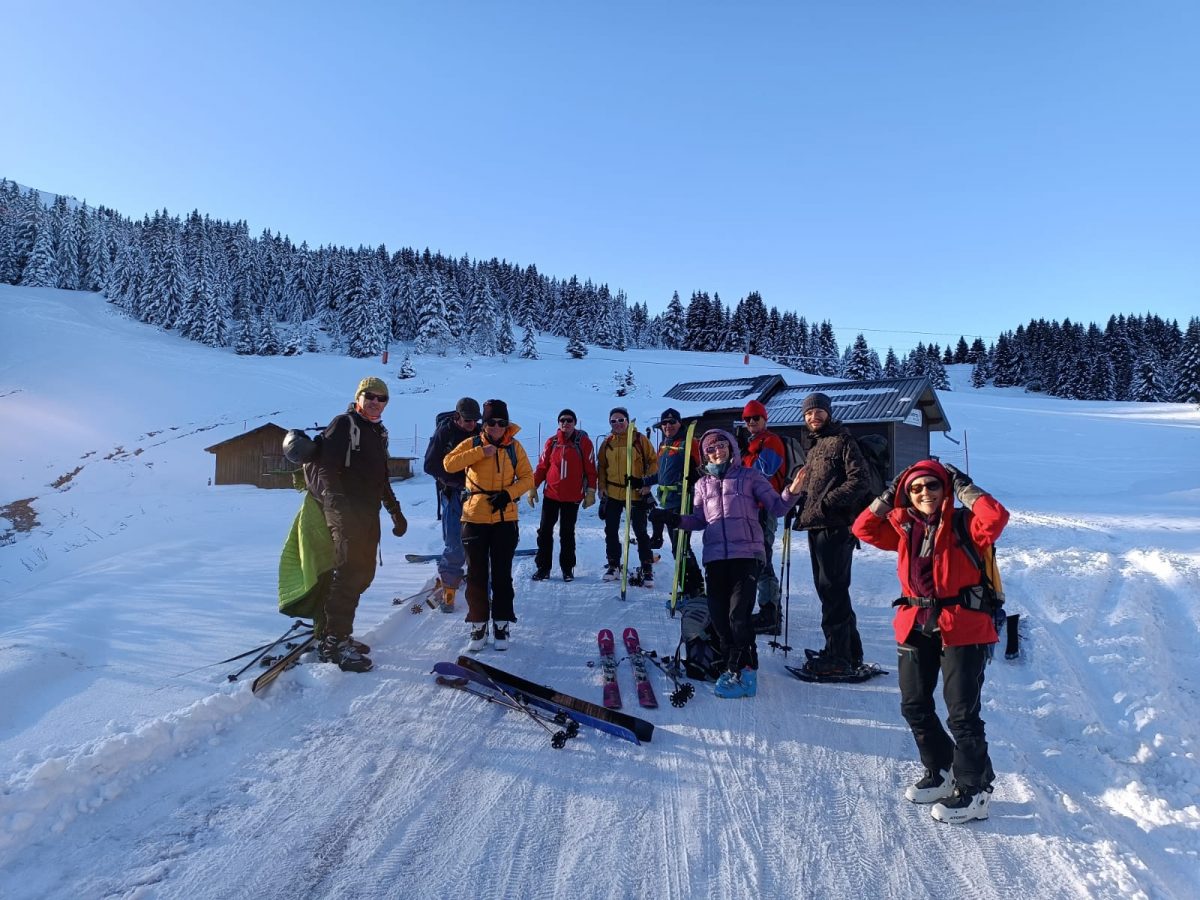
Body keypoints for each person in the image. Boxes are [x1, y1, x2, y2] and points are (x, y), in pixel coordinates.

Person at [853, 459, 1009, 824]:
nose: (925, 493)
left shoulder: (965, 524)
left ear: (946, 490)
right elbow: (863, 527)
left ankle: (975, 790)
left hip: (963, 627)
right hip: (916, 624)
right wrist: (888, 494)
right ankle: (942, 770)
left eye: (933, 485)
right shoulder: (903, 527)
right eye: (916, 488)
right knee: (914, 705)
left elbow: (996, 518)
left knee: (962, 715)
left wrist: (964, 487)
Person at [651, 428, 804, 698]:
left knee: (738, 617)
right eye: (710, 449)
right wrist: (673, 519)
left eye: (721, 445)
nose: (717, 451)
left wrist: (792, 490)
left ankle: (746, 673)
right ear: (704, 454)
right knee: (720, 619)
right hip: (715, 559)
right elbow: (699, 520)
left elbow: (777, 507)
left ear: (731, 447)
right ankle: (731, 665)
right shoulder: (702, 485)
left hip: (746, 556)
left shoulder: (750, 476)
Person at [309, 376, 407, 672]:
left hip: (367, 513)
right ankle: (333, 643)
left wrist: (395, 512)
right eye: (370, 396)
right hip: (344, 511)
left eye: (381, 398)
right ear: (358, 397)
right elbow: (326, 469)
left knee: (363, 575)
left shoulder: (377, 432)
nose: (376, 402)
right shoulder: (344, 424)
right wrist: (339, 507)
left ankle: (340, 634)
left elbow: (381, 478)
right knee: (349, 574)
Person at [443, 399, 534, 652]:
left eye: (501, 422)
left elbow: (528, 477)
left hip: (505, 518)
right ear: (484, 423)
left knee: (502, 575)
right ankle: (478, 624)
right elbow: (448, 464)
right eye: (491, 422)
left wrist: (508, 494)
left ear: (506, 424)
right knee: (476, 575)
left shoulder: (514, 447)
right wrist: (480, 453)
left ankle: (502, 624)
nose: (496, 427)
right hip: (474, 518)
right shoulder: (473, 443)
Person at [790, 391, 870, 678]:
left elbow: (860, 480)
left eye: (818, 411)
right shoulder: (815, 445)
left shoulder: (843, 441)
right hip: (817, 525)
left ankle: (838, 658)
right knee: (831, 590)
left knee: (833, 590)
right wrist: (801, 504)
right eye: (809, 413)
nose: (814, 416)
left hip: (835, 526)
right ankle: (849, 652)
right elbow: (816, 487)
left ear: (829, 413)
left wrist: (827, 503)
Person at [423, 397, 481, 612]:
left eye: (475, 420)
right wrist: (454, 481)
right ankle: (448, 586)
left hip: (477, 493)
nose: (472, 424)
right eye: (468, 420)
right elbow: (430, 465)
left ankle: (478, 583)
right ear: (457, 417)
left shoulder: (480, 431)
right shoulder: (445, 433)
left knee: (478, 541)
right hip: (454, 493)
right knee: (455, 541)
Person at [529, 408, 597, 582]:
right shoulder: (552, 442)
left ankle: (567, 569)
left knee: (567, 533)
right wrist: (533, 486)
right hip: (551, 495)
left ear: (575, 423)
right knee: (545, 531)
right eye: (562, 420)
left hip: (572, 496)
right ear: (558, 423)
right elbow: (542, 467)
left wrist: (591, 491)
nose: (565, 423)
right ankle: (543, 568)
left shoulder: (584, 442)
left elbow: (591, 469)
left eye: (569, 420)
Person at [740, 399, 788, 634]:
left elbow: (763, 472)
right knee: (755, 557)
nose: (751, 422)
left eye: (755, 418)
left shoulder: (771, 441)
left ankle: (770, 612)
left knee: (762, 559)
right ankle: (768, 609)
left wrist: (743, 457)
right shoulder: (751, 443)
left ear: (764, 419)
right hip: (750, 509)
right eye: (747, 419)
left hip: (764, 508)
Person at [596, 407, 658, 586]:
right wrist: (602, 487)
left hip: (635, 492)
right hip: (613, 493)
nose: (617, 424)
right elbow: (602, 467)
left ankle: (646, 567)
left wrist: (647, 483)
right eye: (613, 421)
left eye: (621, 420)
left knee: (640, 531)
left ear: (627, 421)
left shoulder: (639, 439)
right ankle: (613, 564)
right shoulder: (607, 442)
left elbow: (653, 461)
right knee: (611, 530)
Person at [652, 407, 704, 600]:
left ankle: (694, 587)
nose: (668, 426)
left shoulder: (689, 443)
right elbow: (661, 474)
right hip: (668, 502)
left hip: (683, 501)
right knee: (678, 547)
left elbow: (701, 469)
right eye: (664, 423)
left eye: (672, 422)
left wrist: (693, 480)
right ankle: (691, 587)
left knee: (681, 546)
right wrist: (641, 481)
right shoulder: (664, 446)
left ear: (679, 423)